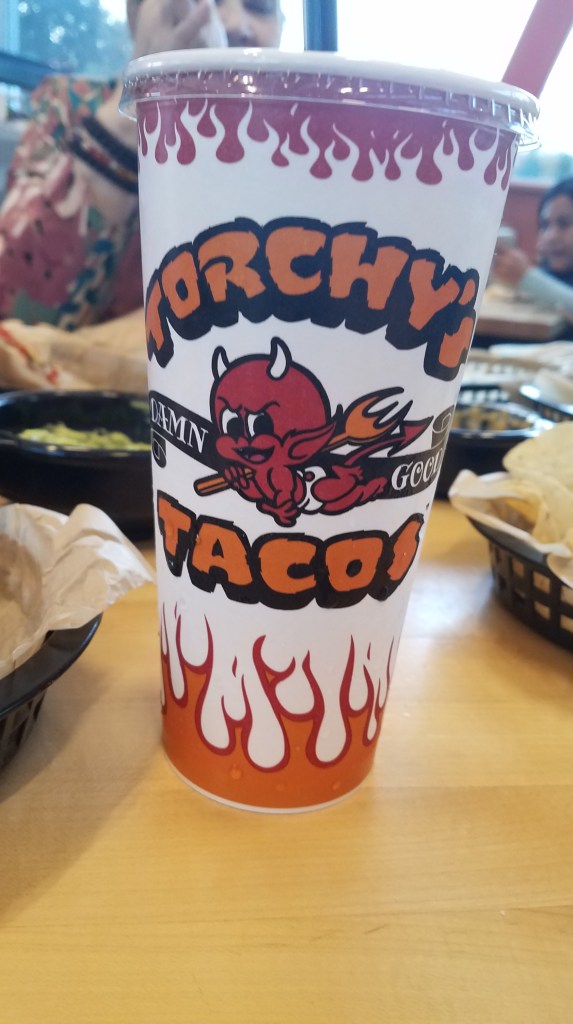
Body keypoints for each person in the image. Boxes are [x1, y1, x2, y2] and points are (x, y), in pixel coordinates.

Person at [0, 0, 283, 329]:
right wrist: (141, 103)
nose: (235, 23)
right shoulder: (67, 107)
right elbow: (12, 314)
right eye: (208, 1)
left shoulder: (300, 142)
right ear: (137, 14)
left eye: (261, 5)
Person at [492, 177, 573, 334]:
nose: (550, 236)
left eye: (563, 224)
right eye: (545, 225)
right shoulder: (550, 272)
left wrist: (526, 278)